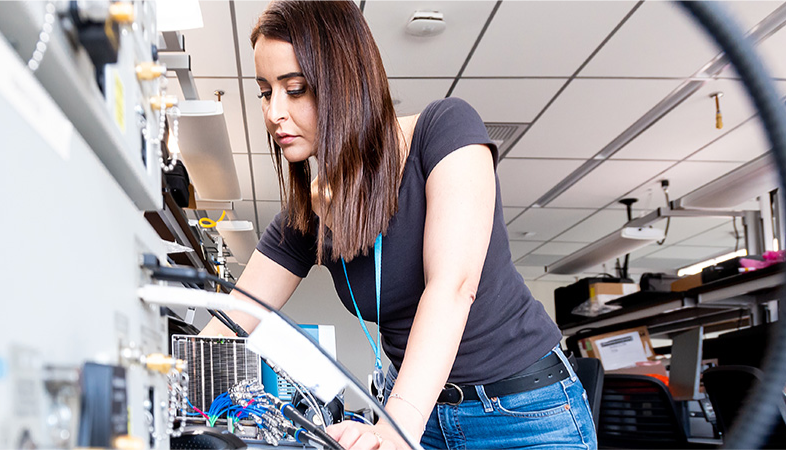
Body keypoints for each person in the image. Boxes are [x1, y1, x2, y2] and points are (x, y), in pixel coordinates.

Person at [197, 1, 597, 449]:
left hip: (523, 413)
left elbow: (452, 287)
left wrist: (395, 430)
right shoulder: (308, 211)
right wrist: (166, 381)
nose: (274, 113)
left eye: (295, 89)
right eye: (265, 92)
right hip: (415, 415)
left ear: (344, 83)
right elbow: (233, 321)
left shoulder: (444, 130)